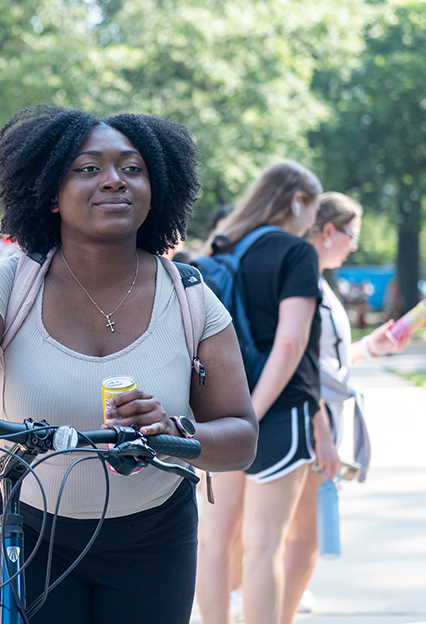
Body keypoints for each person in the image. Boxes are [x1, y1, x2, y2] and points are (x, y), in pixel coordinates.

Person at [0, 105, 259, 624]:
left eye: (132, 169)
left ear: (158, 189)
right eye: (88, 169)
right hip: (26, 531)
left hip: (155, 536)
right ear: (50, 194)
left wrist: (175, 432)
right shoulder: (8, 285)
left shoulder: (193, 298)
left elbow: (241, 438)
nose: (114, 181)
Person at [195, 160, 323, 624]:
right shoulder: (297, 253)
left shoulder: (221, 250)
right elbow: (290, 343)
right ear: (296, 201)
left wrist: (236, 411)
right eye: (312, 209)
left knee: (214, 540)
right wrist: (255, 412)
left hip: (221, 412)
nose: (312, 221)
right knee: (263, 544)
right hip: (278, 413)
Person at [281, 192, 409, 623]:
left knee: (301, 532)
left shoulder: (316, 282)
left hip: (317, 419)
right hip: (312, 423)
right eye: (351, 234)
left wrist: (371, 347)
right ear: (329, 230)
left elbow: (326, 362)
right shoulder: (307, 283)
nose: (355, 245)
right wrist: (323, 437)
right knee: (304, 535)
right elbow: (304, 365)